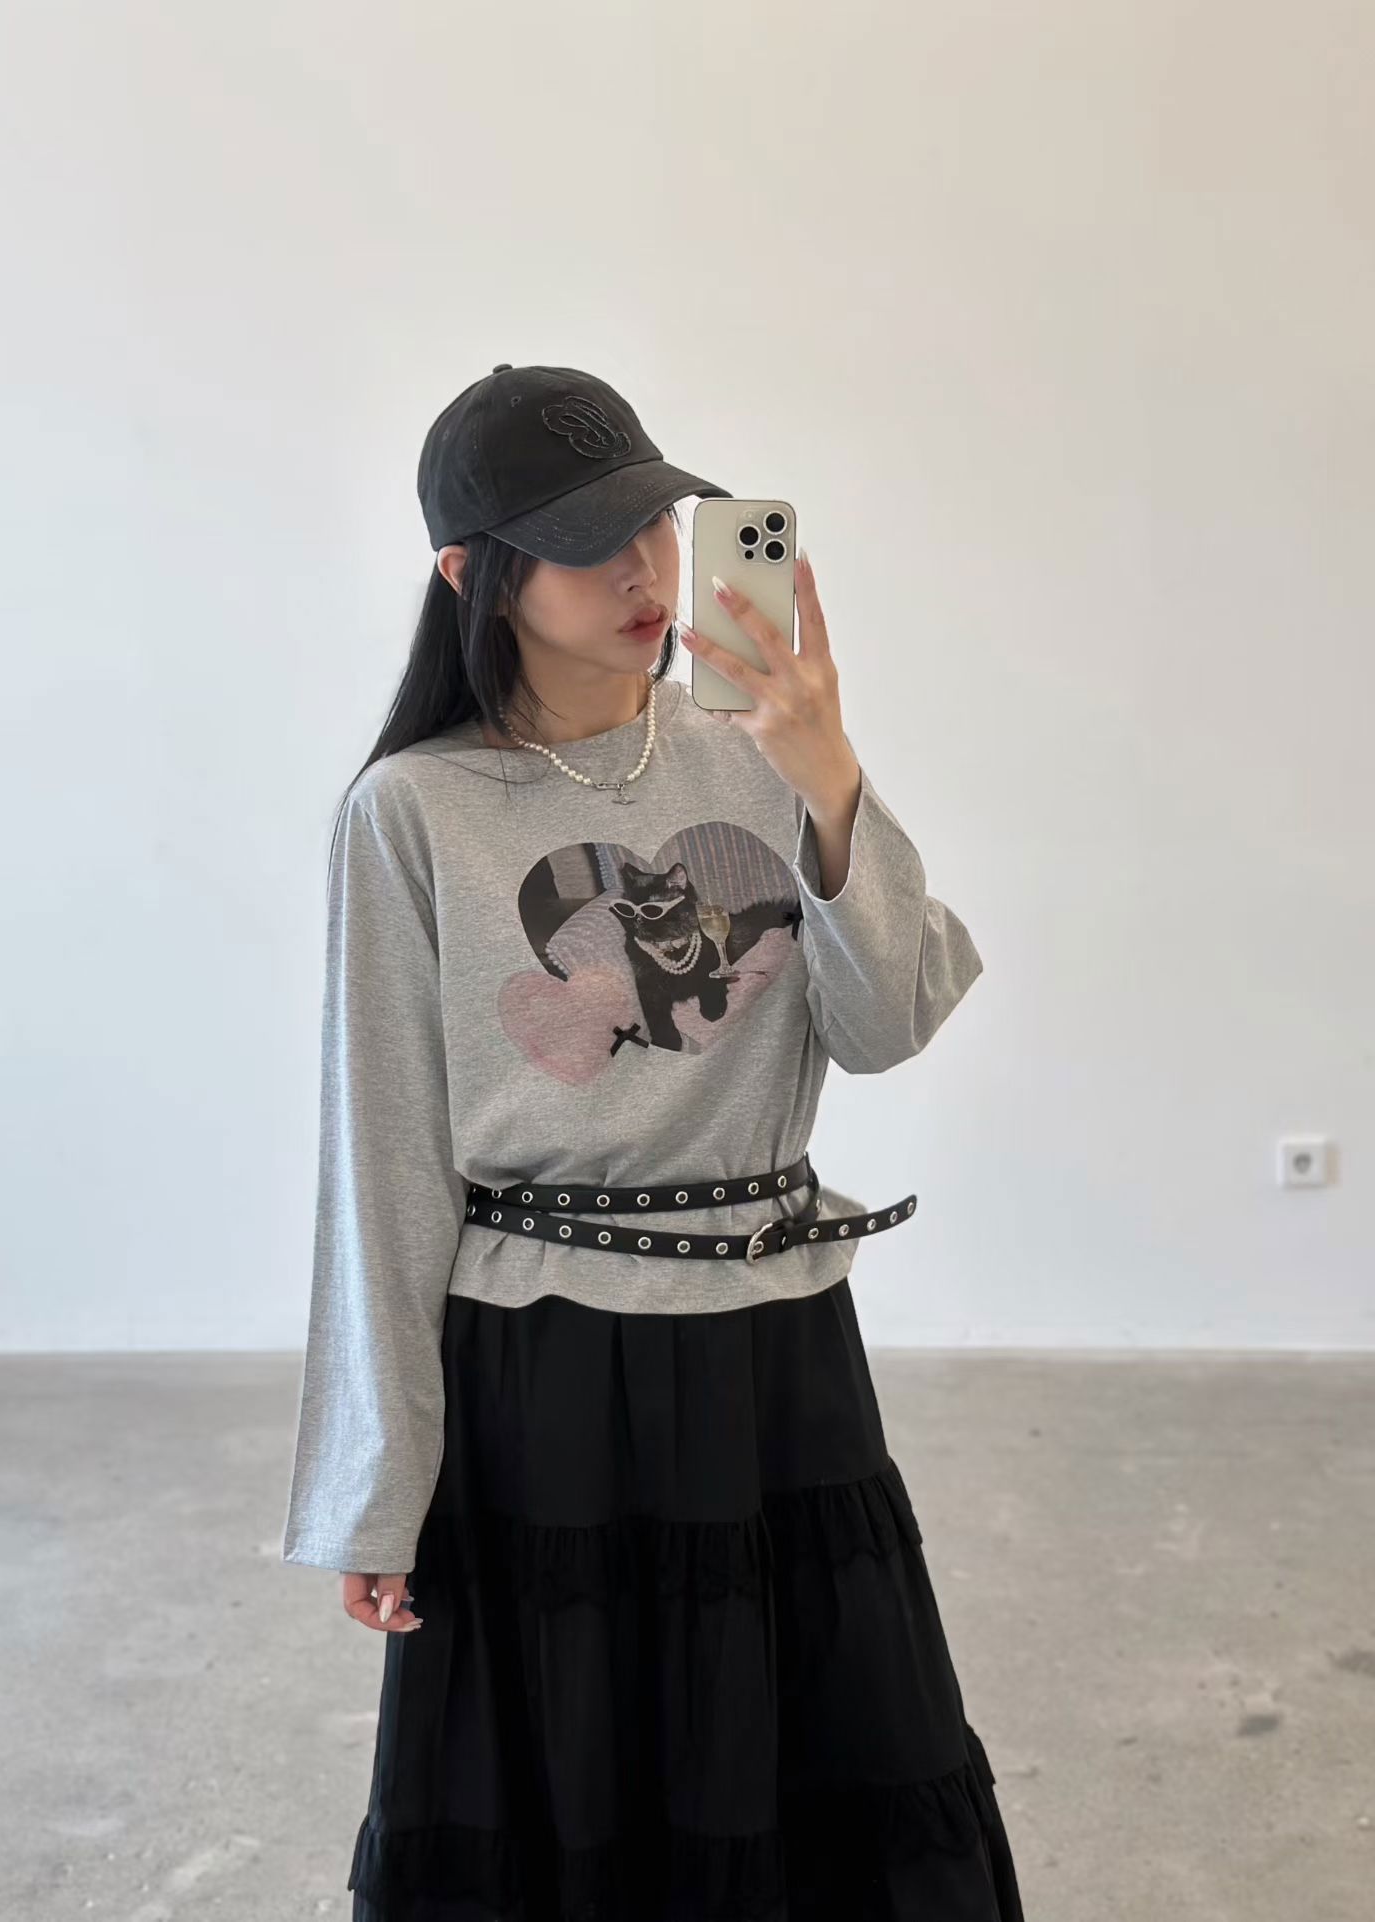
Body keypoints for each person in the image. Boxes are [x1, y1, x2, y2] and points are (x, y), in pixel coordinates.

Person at [282, 362, 1024, 1920]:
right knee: (578, 1795)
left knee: (821, 1774)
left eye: (657, 524)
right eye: (585, 540)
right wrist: (377, 1482)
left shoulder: (758, 748)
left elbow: (888, 1018)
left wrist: (829, 776)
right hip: (545, 1365)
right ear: (470, 576)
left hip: (775, 1341)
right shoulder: (412, 811)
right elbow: (387, 1167)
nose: (644, 569)